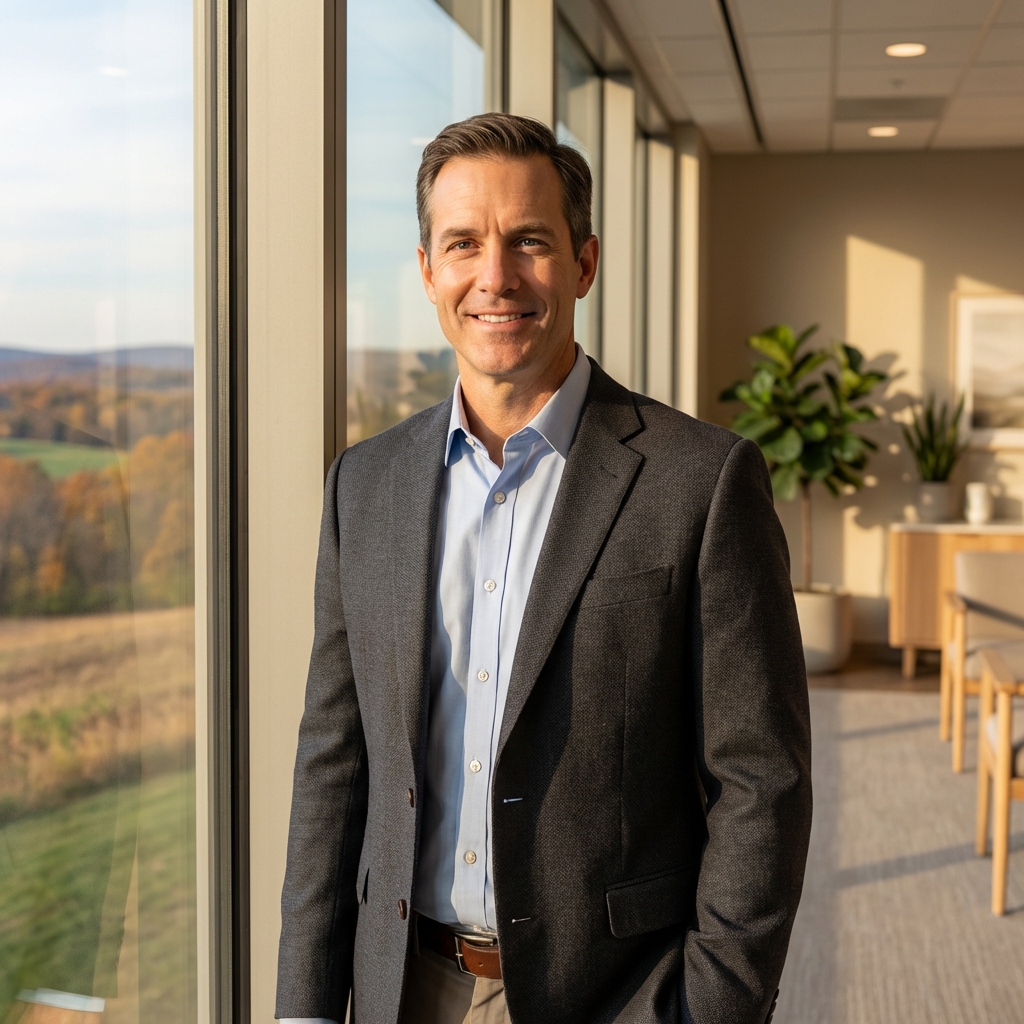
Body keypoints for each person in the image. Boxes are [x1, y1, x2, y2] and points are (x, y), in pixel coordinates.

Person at [276, 113, 811, 1024]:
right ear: (427, 271)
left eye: (529, 240)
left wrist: (712, 1005)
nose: (496, 276)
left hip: (620, 995)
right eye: (464, 244)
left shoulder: (702, 481)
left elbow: (762, 781)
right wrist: (305, 1008)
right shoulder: (362, 487)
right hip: (405, 988)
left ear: (584, 263)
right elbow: (335, 763)